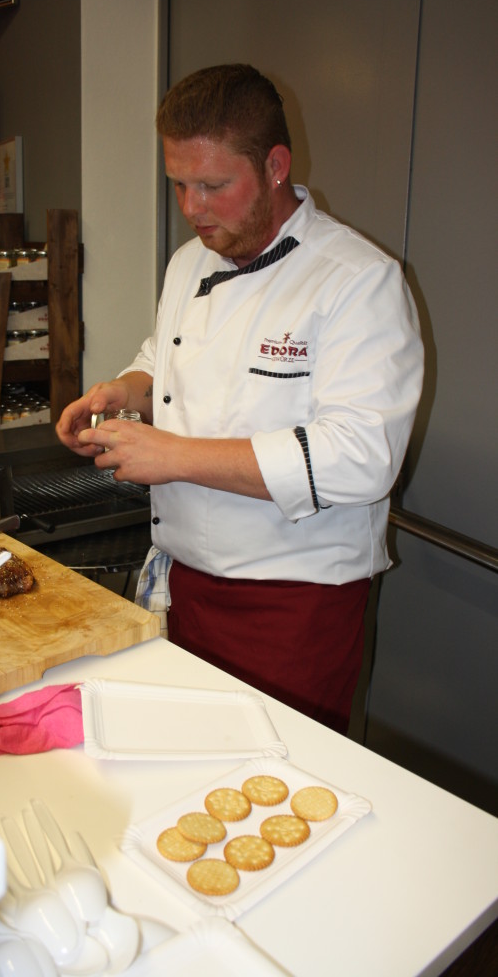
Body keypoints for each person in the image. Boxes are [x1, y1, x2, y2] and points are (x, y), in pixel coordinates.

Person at [56, 64, 424, 734]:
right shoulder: (187, 262)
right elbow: (162, 360)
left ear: (275, 166)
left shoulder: (357, 281)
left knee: (280, 801)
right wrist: (122, 394)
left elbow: (361, 460)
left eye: (214, 186)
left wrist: (172, 456)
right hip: (184, 584)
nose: (193, 208)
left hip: (294, 605)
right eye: (178, 184)